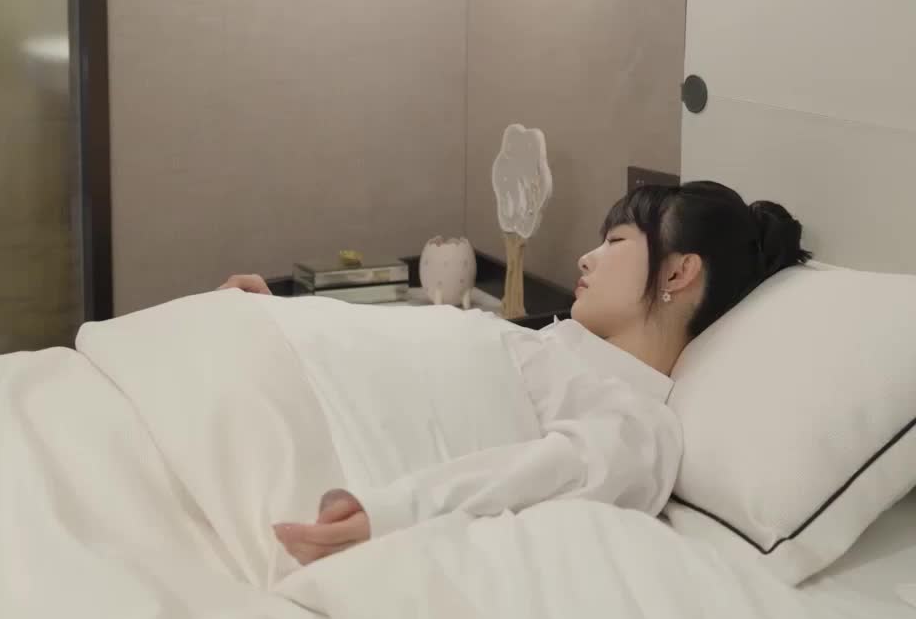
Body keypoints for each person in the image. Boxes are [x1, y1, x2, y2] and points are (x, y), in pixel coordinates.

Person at [221, 181, 808, 566]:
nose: (586, 257)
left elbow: (534, 475)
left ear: (678, 274)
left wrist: (390, 513)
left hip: (299, 405)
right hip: (283, 350)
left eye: (615, 241)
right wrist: (288, 312)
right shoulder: (556, 346)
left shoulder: (634, 417)